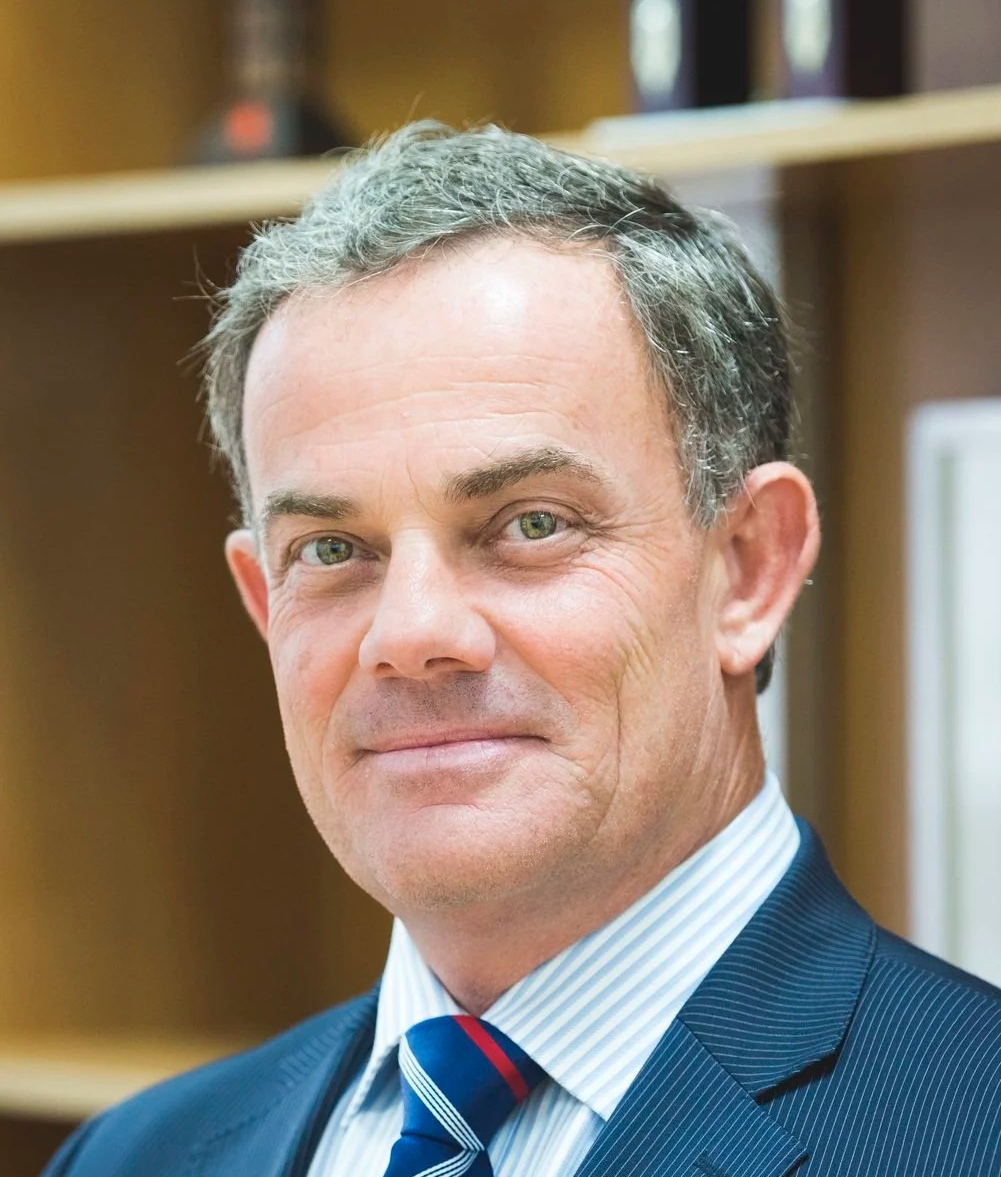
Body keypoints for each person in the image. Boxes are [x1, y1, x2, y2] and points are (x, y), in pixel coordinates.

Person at [45, 123, 1000, 1177]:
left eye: (529, 524)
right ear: (264, 601)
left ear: (747, 568)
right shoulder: (134, 1156)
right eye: (329, 549)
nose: (410, 636)